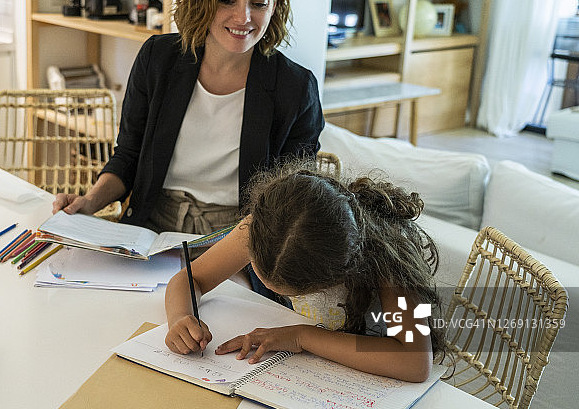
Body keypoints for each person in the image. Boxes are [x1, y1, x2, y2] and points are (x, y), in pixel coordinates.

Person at [52, 0, 324, 239]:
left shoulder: (296, 88)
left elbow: (288, 203)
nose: (243, 17)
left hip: (238, 238)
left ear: (275, 6)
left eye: (259, 3)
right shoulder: (158, 58)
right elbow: (128, 155)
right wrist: (89, 201)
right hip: (151, 224)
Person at [163, 161, 447, 383]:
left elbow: (416, 361)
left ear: (335, 275)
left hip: (364, 372)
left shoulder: (387, 259)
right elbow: (191, 278)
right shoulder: (266, 225)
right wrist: (180, 317)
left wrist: (302, 337)